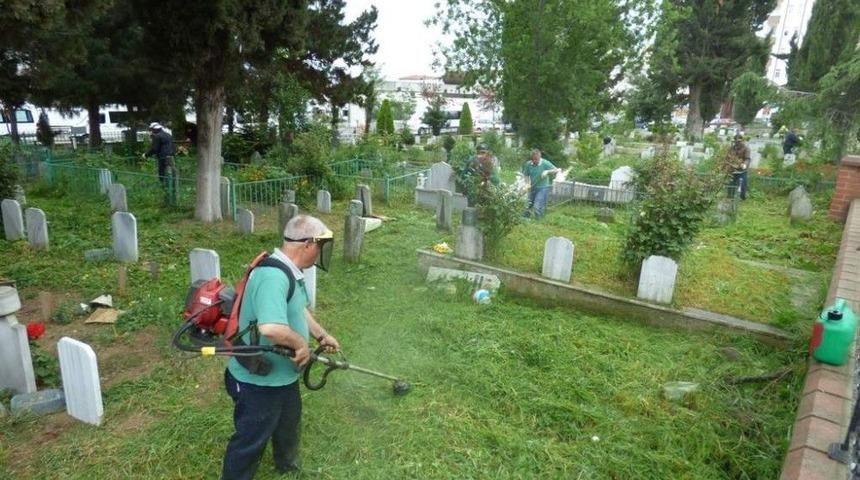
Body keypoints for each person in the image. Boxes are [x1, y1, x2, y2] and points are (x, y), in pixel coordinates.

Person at [221, 215, 340, 480]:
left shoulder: (290, 271)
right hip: (258, 382)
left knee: (288, 423)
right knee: (251, 439)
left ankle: (287, 466)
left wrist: (321, 336)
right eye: (320, 246)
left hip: (283, 375)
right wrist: (300, 344)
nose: (320, 253)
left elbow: (297, 308)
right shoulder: (273, 276)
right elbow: (270, 328)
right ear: (308, 245)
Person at [521, 148, 560, 218]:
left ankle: (539, 220)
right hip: (532, 187)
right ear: (532, 158)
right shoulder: (528, 164)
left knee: (537, 205)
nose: (535, 161)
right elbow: (526, 175)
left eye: (536, 159)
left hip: (543, 187)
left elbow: (557, 170)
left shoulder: (545, 163)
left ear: (540, 157)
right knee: (528, 204)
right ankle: (525, 218)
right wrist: (527, 183)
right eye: (533, 159)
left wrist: (547, 172)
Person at [729, 133, 750, 200]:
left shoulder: (746, 148)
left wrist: (744, 164)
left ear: (742, 141)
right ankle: (730, 197)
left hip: (742, 170)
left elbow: (747, 158)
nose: (737, 143)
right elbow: (728, 157)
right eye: (736, 141)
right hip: (733, 169)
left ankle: (742, 197)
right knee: (730, 184)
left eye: (739, 141)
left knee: (743, 184)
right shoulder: (732, 148)